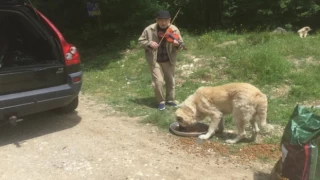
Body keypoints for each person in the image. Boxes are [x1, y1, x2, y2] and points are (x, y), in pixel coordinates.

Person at [138, 10, 184, 111]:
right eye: (161, 20)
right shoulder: (149, 29)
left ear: (170, 20)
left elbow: (180, 44)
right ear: (156, 20)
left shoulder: (174, 29)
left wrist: (177, 45)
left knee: (170, 80)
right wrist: (149, 43)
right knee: (158, 81)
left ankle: (170, 100)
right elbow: (141, 41)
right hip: (155, 59)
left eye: (166, 20)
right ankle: (161, 101)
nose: (163, 23)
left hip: (169, 59)